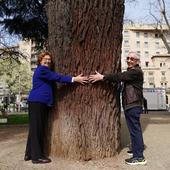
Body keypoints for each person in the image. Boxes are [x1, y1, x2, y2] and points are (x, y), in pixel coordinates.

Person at [24, 51, 88, 164]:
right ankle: (37, 157)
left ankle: (29, 154)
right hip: (37, 102)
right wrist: (74, 79)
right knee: (38, 129)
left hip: (37, 102)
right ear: (40, 60)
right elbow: (57, 77)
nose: (48, 61)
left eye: (49, 60)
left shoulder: (44, 70)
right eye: (45, 59)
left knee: (35, 129)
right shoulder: (42, 69)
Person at [89, 52, 147, 165]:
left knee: (135, 130)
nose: (129, 60)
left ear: (137, 61)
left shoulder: (136, 72)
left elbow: (119, 76)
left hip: (133, 104)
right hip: (131, 104)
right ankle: (136, 150)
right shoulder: (132, 72)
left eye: (133, 59)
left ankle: (139, 157)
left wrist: (102, 77)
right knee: (134, 130)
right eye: (128, 58)